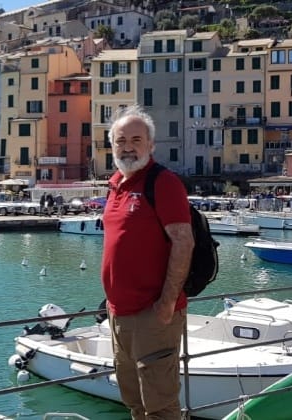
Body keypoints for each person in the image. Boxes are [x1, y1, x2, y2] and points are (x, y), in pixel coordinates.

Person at [101, 105, 194, 420]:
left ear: (151, 145)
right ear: (112, 145)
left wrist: (167, 302)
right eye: (121, 140)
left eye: (136, 140)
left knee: (160, 406)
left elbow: (183, 242)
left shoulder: (162, 183)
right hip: (119, 314)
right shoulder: (115, 184)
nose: (127, 147)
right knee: (135, 403)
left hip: (153, 314)